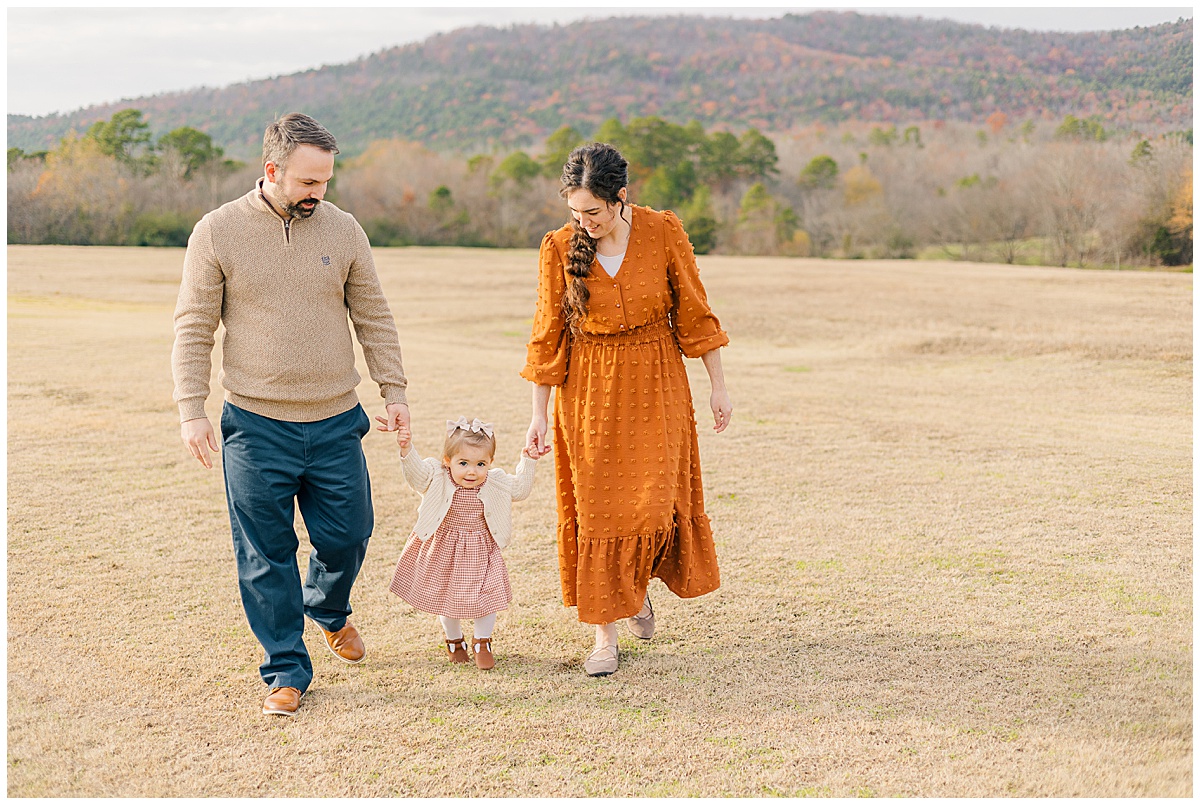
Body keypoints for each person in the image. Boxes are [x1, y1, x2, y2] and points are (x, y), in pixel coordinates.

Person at [171, 113, 410, 717]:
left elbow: (374, 315)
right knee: (265, 553)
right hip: (255, 424)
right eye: (307, 181)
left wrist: (394, 390)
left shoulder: (344, 229)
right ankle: (286, 667)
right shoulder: (217, 231)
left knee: (349, 534)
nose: (318, 192)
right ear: (271, 169)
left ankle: (327, 607)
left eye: (325, 181)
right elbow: (194, 326)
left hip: (335, 419)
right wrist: (191, 409)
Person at [522, 142, 732, 677]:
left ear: (620, 196)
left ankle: (634, 588)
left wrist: (718, 386)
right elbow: (547, 336)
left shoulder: (663, 230)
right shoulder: (558, 247)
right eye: (575, 212)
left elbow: (695, 311)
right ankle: (605, 635)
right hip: (588, 392)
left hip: (657, 382)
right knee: (599, 513)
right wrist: (538, 415)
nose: (584, 222)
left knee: (655, 505)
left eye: (593, 211)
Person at [385, 417, 539, 670]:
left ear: (490, 462)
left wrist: (528, 460)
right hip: (445, 550)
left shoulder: (495, 481)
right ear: (448, 461)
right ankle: (454, 641)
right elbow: (416, 477)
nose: (472, 471)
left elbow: (520, 490)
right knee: (448, 599)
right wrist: (407, 449)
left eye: (481, 464)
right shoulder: (437, 475)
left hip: (481, 550)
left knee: (487, 597)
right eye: (463, 463)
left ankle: (482, 642)